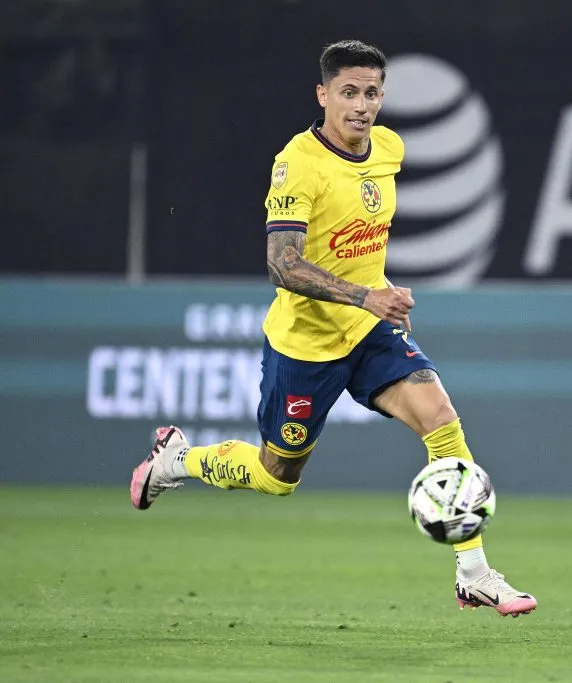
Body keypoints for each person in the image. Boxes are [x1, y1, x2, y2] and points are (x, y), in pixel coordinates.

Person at [129, 40, 537, 618]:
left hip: (369, 331)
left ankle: (474, 573)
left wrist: (377, 296)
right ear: (323, 95)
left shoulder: (389, 149)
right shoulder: (297, 163)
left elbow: (357, 237)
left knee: (441, 419)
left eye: (372, 93)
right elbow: (283, 264)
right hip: (305, 346)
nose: (361, 105)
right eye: (349, 92)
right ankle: (178, 460)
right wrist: (367, 294)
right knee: (277, 476)